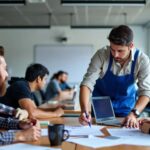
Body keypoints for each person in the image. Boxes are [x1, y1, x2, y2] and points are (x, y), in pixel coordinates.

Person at [79, 25, 150, 128]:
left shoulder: (142, 60)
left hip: (127, 108)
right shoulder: (101, 55)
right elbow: (87, 83)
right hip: (101, 107)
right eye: (112, 49)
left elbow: (146, 92)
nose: (115, 55)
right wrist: (84, 110)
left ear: (131, 46)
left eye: (120, 51)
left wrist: (134, 114)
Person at [0, 55, 41, 145]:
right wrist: (20, 135)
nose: (7, 74)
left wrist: (19, 124)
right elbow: (33, 112)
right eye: (3, 68)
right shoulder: (21, 85)